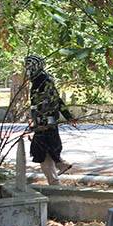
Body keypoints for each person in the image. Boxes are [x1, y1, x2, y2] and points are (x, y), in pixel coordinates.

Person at [25, 55, 76, 186]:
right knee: (45, 150)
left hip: (45, 123)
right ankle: (59, 170)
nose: (27, 69)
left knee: (42, 150)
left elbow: (52, 102)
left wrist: (37, 124)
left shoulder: (42, 81)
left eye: (29, 66)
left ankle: (57, 175)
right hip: (44, 122)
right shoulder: (40, 80)